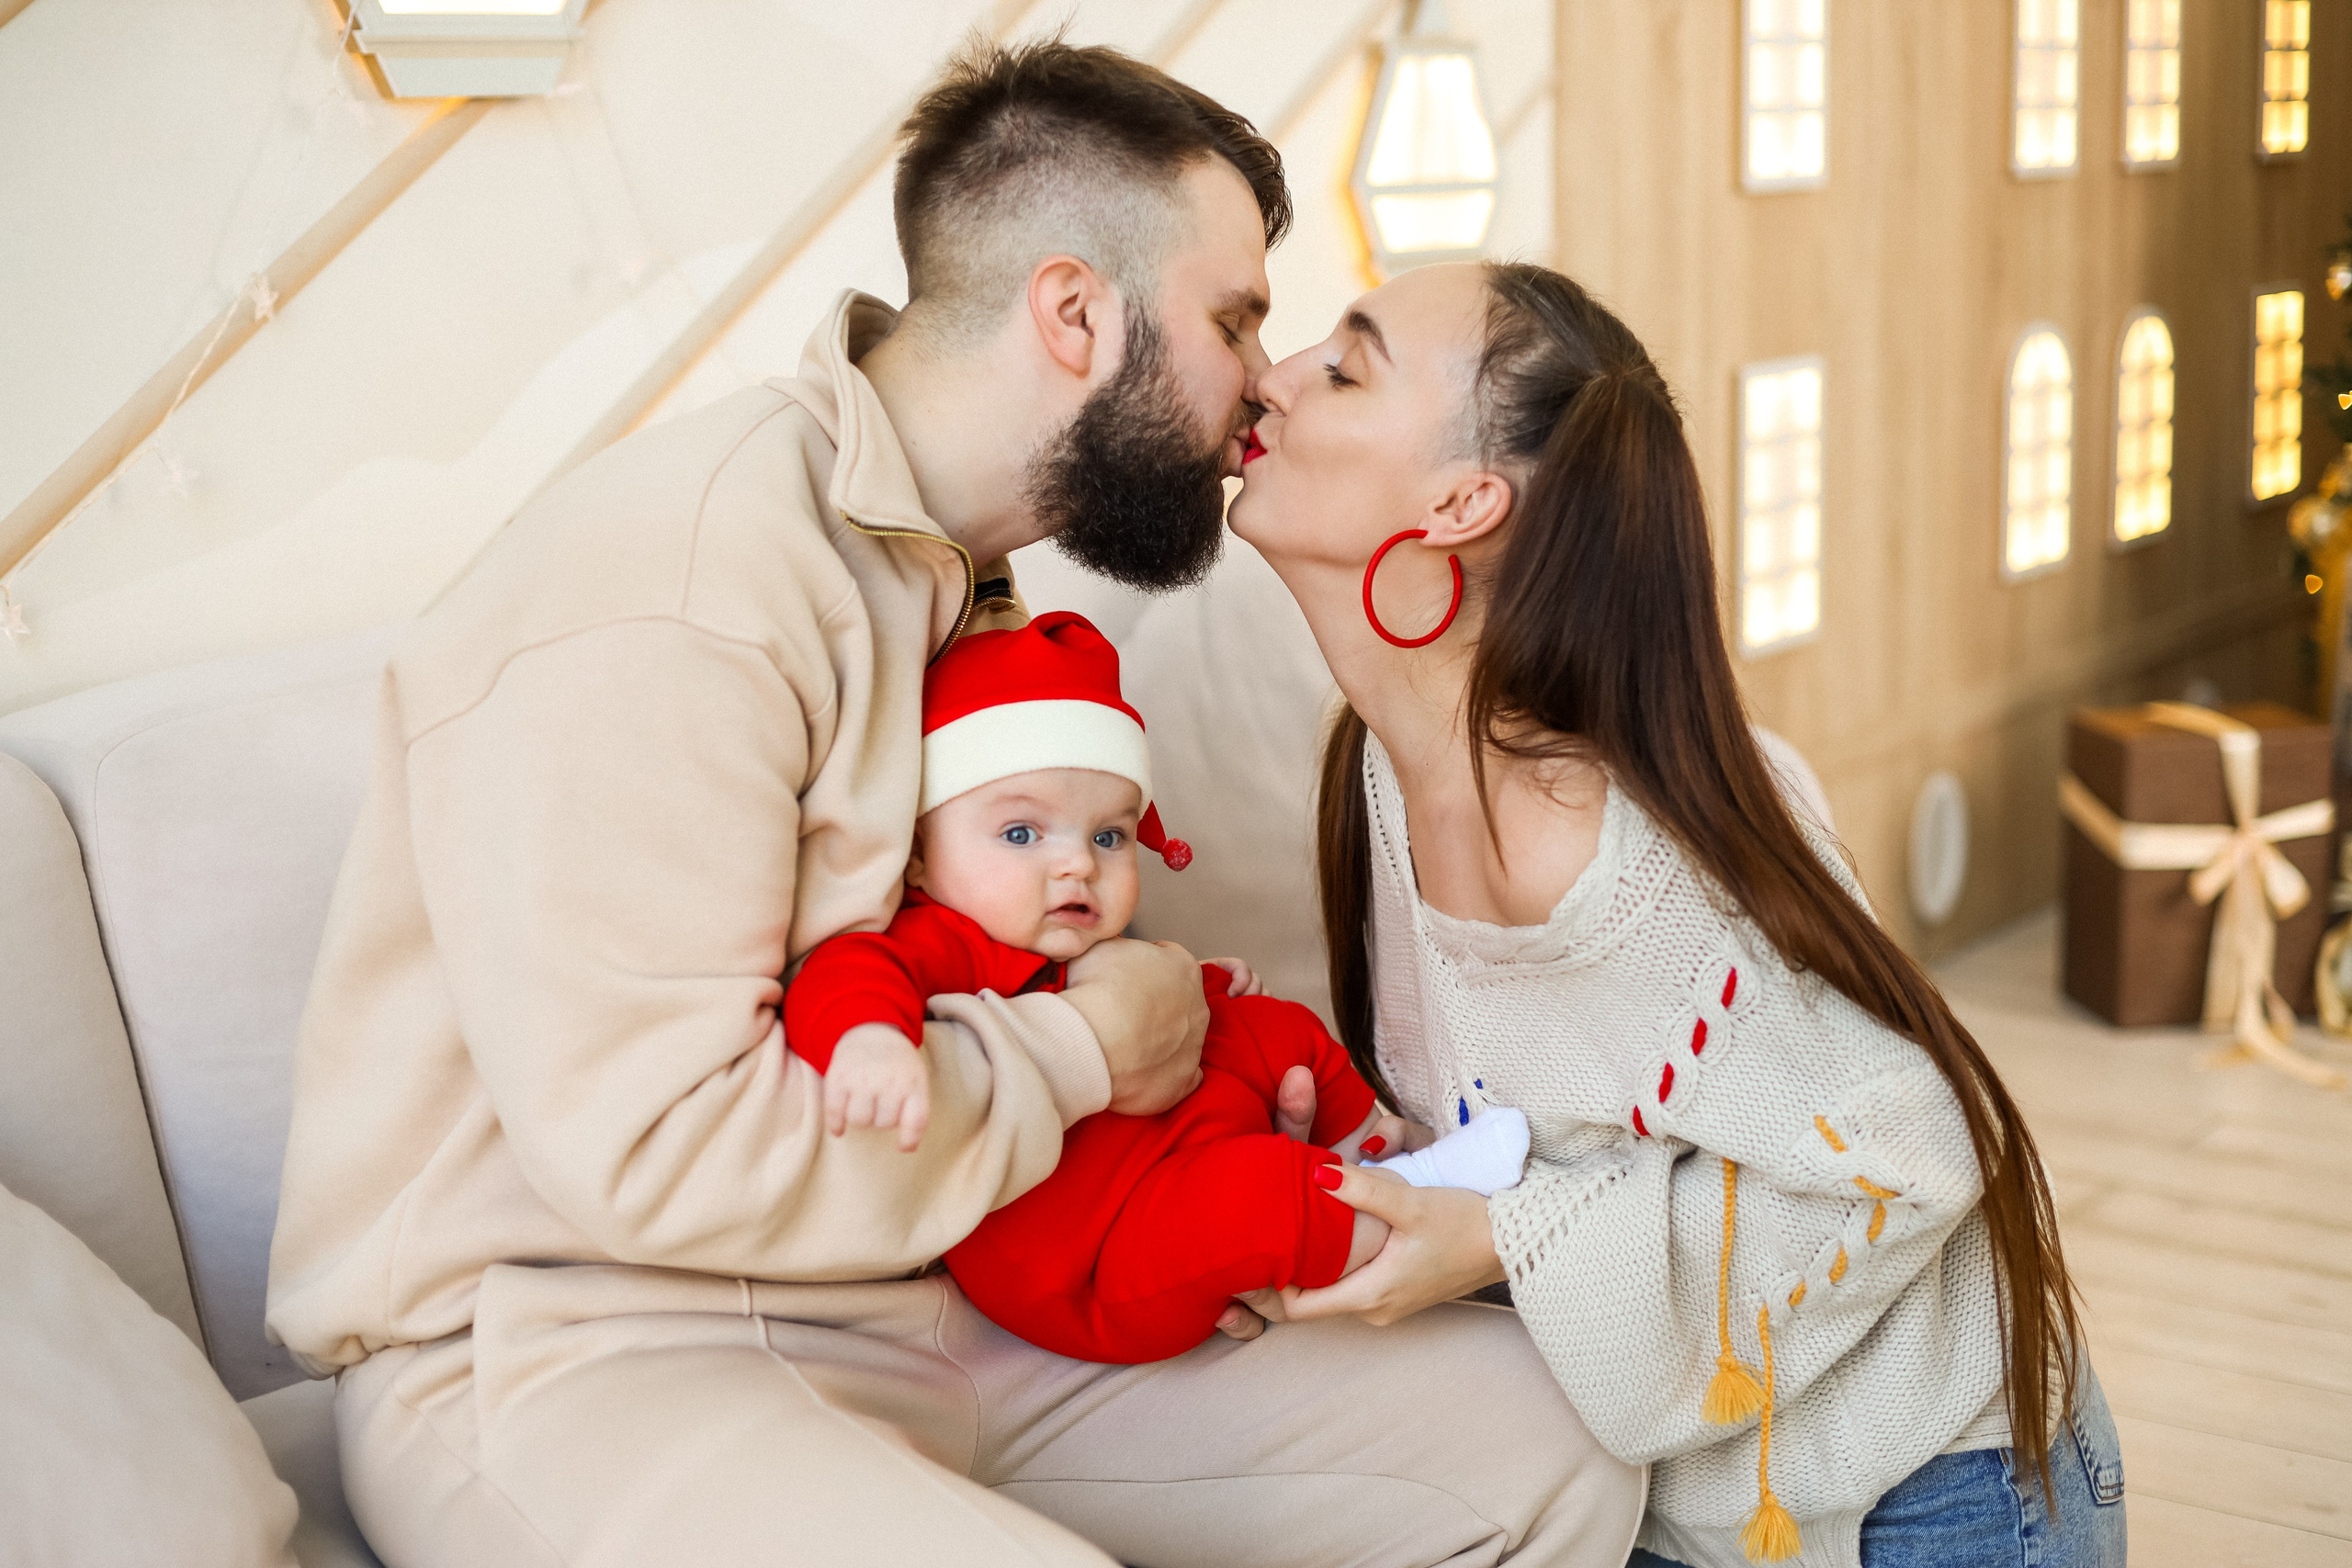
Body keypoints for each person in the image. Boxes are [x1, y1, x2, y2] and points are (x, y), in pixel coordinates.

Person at [265, 40, 1643, 1568]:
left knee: (1552, 1441)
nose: (1265, 380)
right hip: (582, 1342)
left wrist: (1202, 1138)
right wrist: (1085, 1045)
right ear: (1073, 314)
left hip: (946, 1288)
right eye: (1235, 318)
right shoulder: (682, 589)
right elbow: (661, 1154)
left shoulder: (959, 583)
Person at [1218, 260, 2128, 1568]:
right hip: (1689, 1502)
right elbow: (1544, 1123)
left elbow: (1919, 1149)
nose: (1274, 374)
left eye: (1344, 366)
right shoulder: (1381, 767)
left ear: (1463, 504)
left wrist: (1498, 1232)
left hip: (1934, 1498)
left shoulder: (1608, 848)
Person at [783, 610, 1529, 1365]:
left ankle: (1375, 1144)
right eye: (1020, 834)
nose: (1077, 863)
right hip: (1100, 1262)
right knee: (1251, 1198)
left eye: (1108, 836)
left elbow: (1139, 1011)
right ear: (917, 857)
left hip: (1167, 1160)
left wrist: (1207, 990)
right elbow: (846, 972)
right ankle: (1412, 1201)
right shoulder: (944, 935)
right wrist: (869, 1038)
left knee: (1271, 1027)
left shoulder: (1079, 938)